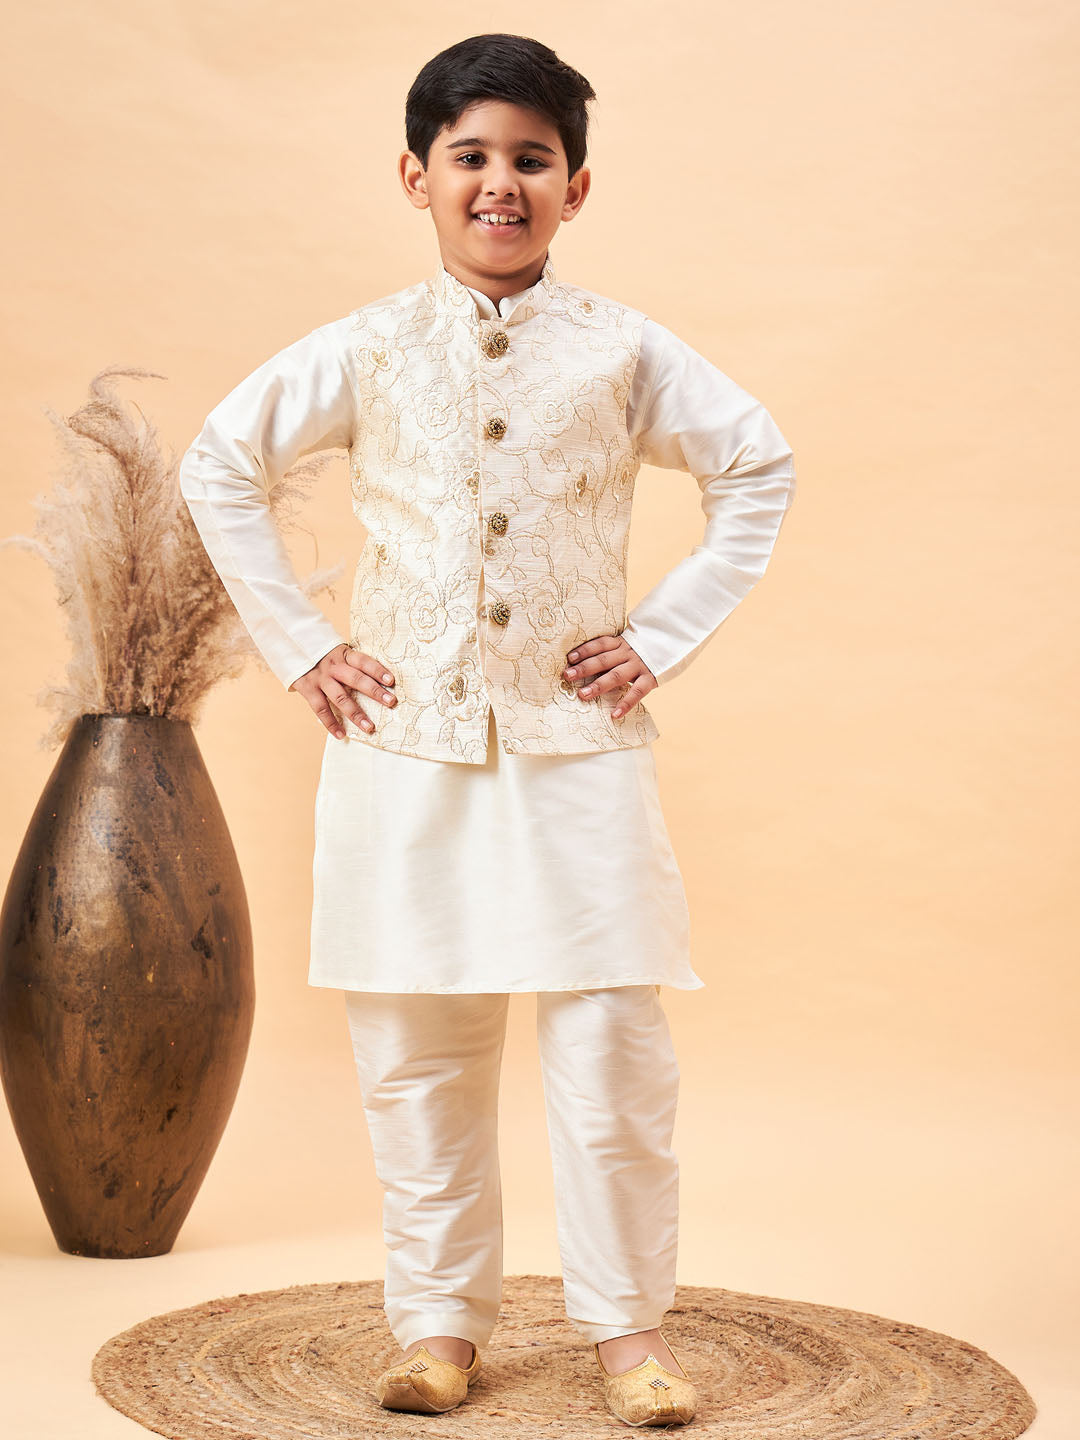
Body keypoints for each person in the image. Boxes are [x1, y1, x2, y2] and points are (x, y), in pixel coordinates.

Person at [178, 31, 796, 1428]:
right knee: (416, 1049)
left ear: (577, 186)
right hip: (405, 747)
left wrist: (658, 637)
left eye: (533, 158)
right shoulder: (370, 347)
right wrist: (303, 646)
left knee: (611, 1045)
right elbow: (221, 461)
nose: (500, 183)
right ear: (418, 177)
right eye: (471, 156)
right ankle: (437, 1325)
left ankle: (629, 1333)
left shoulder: (622, 348)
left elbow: (757, 462)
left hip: (576, 746)